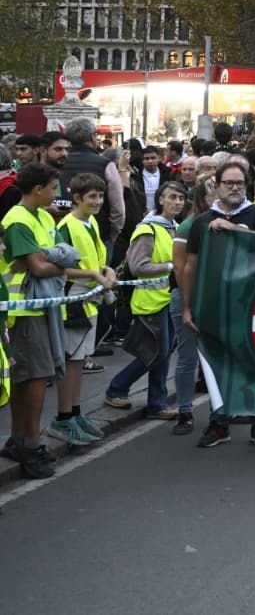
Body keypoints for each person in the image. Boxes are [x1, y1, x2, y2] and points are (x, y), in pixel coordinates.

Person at [4, 164, 110, 477]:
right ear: (37, 190)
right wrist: (59, 260)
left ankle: (19, 439)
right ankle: (31, 445)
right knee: (34, 378)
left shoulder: (40, 216)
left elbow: (52, 257)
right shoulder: (17, 220)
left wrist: (55, 257)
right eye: (53, 188)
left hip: (41, 307)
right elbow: (38, 266)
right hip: (24, 309)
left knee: (32, 378)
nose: (57, 195)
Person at [181, 167, 255, 446]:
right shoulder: (201, 222)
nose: (234, 188)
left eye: (239, 183)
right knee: (218, 365)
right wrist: (187, 307)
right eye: (228, 183)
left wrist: (232, 228)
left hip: (253, 304)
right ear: (218, 186)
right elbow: (190, 266)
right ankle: (219, 424)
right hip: (215, 306)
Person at [104, 180, 186, 423]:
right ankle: (117, 388)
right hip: (151, 300)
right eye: (172, 197)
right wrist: (172, 266)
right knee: (156, 353)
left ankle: (156, 403)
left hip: (168, 299)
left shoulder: (175, 227)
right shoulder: (148, 229)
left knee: (162, 352)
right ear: (160, 199)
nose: (177, 202)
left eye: (181, 198)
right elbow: (138, 267)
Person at [49, 173, 116, 449]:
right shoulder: (67, 225)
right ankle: (63, 419)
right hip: (74, 300)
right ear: (77, 198)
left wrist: (107, 270)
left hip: (89, 299)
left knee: (79, 360)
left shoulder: (90, 223)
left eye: (100, 196)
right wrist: (93, 273)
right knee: (71, 361)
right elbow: (60, 267)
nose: (98, 201)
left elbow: (97, 258)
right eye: (92, 197)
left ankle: (75, 413)